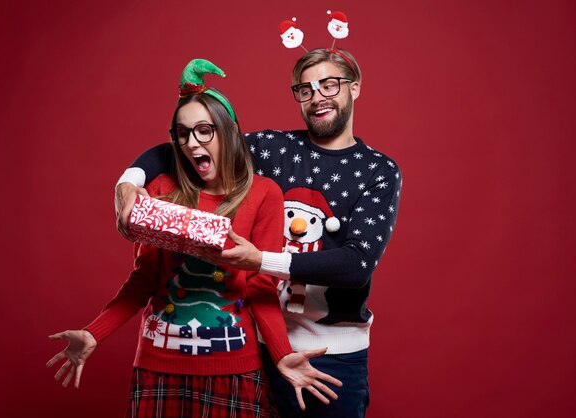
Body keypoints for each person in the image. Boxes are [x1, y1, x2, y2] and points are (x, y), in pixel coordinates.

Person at [115, 49, 402, 418]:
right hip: (257, 345)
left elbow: (356, 265)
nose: (318, 98)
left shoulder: (378, 171)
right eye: (305, 89)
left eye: (329, 85)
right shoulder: (273, 148)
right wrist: (129, 181)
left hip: (333, 356)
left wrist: (259, 260)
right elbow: (187, 145)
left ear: (355, 88)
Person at [47, 59, 341, 418]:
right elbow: (143, 280)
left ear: (229, 131)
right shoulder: (159, 190)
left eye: (205, 130)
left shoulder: (264, 194)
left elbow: (262, 284)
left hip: (233, 369)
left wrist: (281, 354)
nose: (192, 143)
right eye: (182, 133)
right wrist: (95, 333)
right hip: (158, 367)